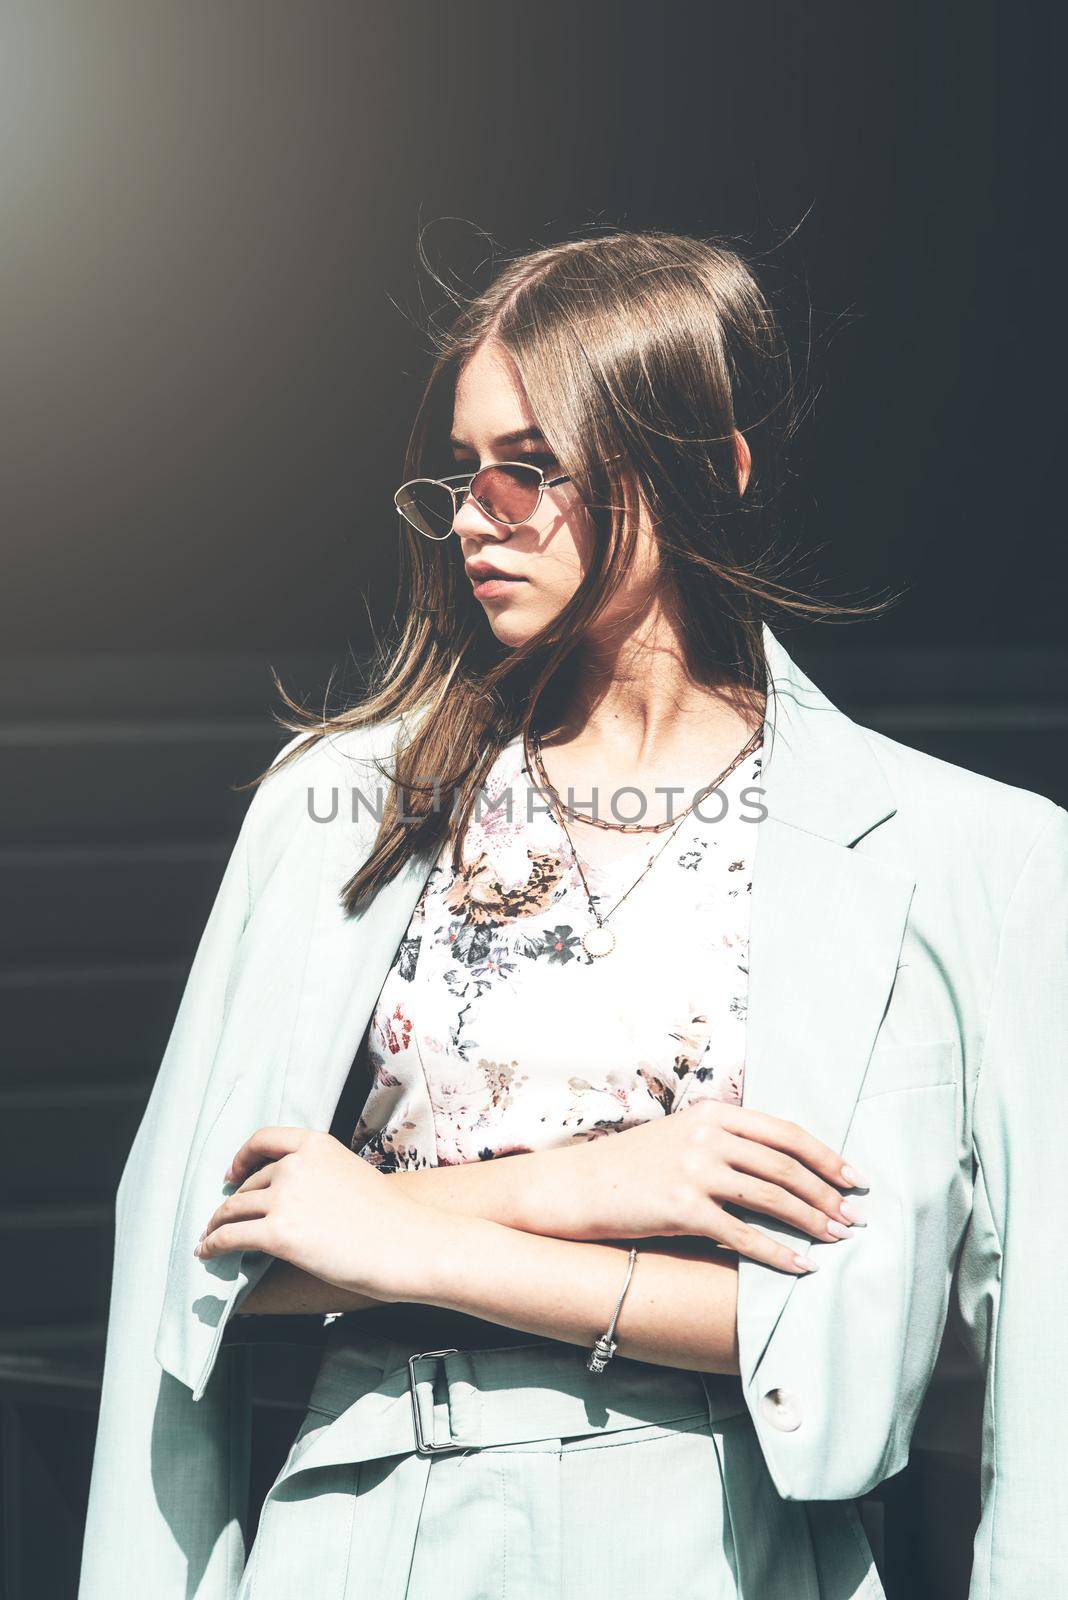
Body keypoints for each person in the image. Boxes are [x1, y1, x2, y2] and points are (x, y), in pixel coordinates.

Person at [79, 231, 1068, 1600]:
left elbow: (875, 1337)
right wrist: (591, 1184)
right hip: (361, 1526)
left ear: (702, 467)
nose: (476, 513)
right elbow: (203, 1261)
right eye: (461, 472)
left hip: (723, 1536)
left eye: (529, 468)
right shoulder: (343, 808)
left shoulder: (971, 857)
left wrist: (405, 1232)